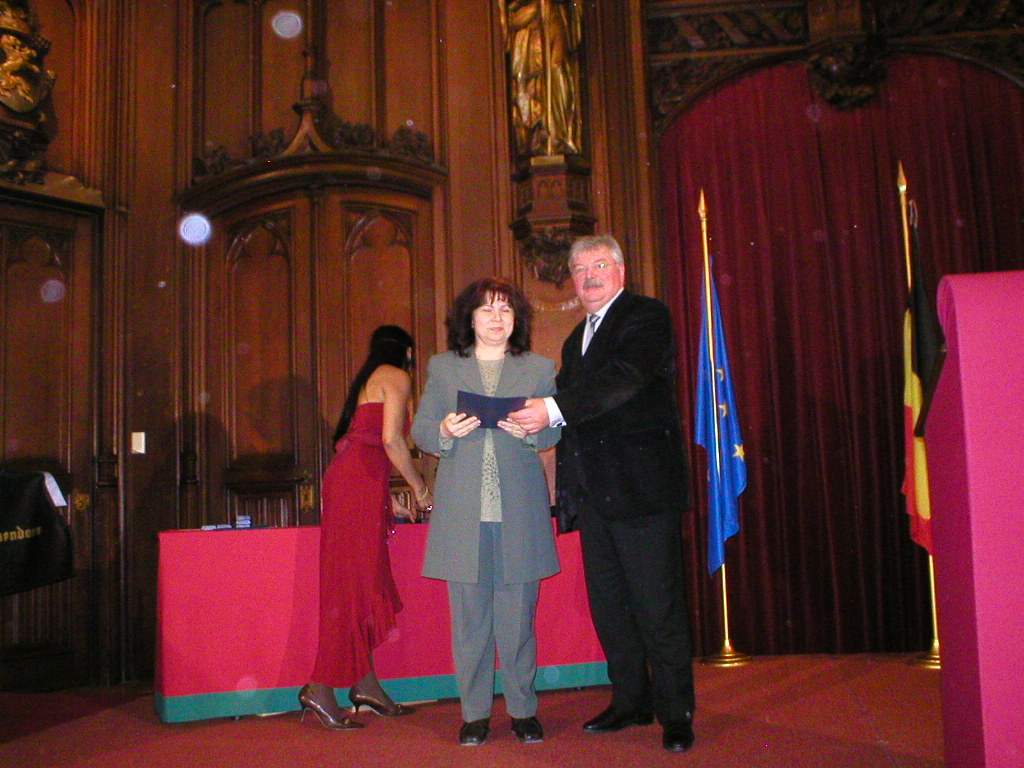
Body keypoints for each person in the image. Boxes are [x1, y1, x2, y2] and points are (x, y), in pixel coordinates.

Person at [508, 234, 696, 753]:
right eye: (580, 269)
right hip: (595, 497)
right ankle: (631, 700)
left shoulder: (646, 317)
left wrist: (550, 410)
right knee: (610, 607)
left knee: (657, 606)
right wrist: (527, 420)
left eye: (599, 265)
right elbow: (571, 412)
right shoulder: (575, 340)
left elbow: (624, 379)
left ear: (620, 271)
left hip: (642, 492)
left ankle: (676, 713)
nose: (588, 277)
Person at [411, 277, 561, 747]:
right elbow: (420, 429)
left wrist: (533, 430)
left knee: (518, 621)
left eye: (506, 310)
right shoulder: (444, 368)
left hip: (520, 511)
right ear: (469, 318)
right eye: (487, 310)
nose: (497, 318)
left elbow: (554, 430)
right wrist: (444, 429)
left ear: (517, 320)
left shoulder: (538, 368)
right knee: (470, 622)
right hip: (463, 513)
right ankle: (474, 714)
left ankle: (523, 711)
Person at [298, 325, 433, 730]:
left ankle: (365, 684)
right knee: (351, 587)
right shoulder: (397, 376)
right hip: (356, 486)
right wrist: (420, 489)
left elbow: (366, 445)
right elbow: (391, 441)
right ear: (407, 351)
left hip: (355, 484)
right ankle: (320, 688)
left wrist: (385, 498)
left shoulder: (371, 379)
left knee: (357, 584)